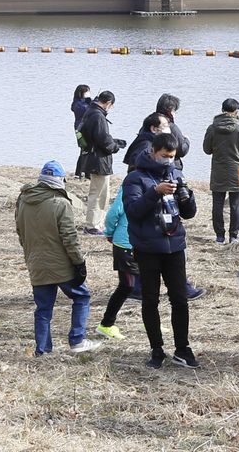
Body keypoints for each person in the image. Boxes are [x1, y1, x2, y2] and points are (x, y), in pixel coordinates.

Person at [123, 133, 199, 370]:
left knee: (179, 299)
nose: (168, 161)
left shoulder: (175, 173)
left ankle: (182, 349)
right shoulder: (135, 178)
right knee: (150, 300)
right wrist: (155, 192)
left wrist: (187, 195)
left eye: (172, 157)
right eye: (165, 156)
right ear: (153, 152)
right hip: (147, 248)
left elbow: (188, 214)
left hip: (174, 246)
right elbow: (133, 211)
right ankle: (156, 349)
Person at [15, 160, 100, 356]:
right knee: (82, 296)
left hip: (36, 263)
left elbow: (20, 231)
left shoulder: (23, 199)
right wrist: (79, 263)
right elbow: (70, 238)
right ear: (60, 180)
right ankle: (77, 340)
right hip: (61, 265)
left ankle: (43, 350)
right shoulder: (61, 203)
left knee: (43, 309)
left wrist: (30, 255)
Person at [202, 98, 239, 245]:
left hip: (218, 169)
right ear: (236, 111)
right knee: (236, 204)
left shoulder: (212, 127)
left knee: (217, 204)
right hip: (235, 170)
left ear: (222, 109)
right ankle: (234, 236)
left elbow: (206, 149)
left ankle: (219, 236)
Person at [77, 91, 125, 235]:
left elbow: (98, 137)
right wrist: (115, 146)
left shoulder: (90, 111)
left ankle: (95, 224)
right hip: (99, 161)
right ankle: (93, 226)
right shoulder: (98, 116)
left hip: (92, 157)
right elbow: (103, 140)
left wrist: (115, 141)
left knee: (97, 192)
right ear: (108, 103)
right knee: (100, 194)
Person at [94, 180, 136, 342]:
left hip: (144, 244)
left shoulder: (155, 182)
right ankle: (106, 324)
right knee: (127, 286)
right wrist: (109, 232)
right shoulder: (130, 185)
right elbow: (113, 213)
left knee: (148, 285)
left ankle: (151, 322)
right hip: (125, 244)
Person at [155, 93, 192, 170]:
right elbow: (181, 150)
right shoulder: (171, 127)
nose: (175, 114)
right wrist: (187, 140)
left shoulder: (149, 123)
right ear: (170, 111)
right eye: (175, 111)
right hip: (170, 167)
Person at [70, 85, 92, 179]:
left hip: (86, 128)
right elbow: (86, 110)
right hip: (80, 130)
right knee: (84, 149)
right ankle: (79, 172)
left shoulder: (84, 102)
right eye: (86, 91)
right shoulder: (77, 104)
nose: (88, 93)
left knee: (88, 150)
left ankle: (86, 173)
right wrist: (93, 102)